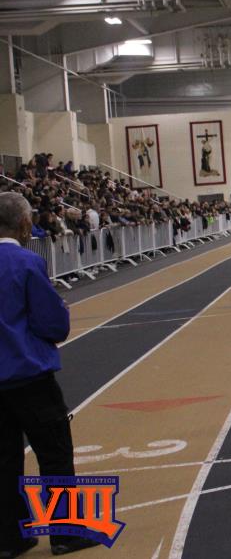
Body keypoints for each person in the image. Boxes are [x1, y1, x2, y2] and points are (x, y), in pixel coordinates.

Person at [0, 192, 100, 557]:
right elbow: (52, 325)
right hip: (29, 374)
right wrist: (61, 311)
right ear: (25, 223)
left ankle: (9, 538)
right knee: (54, 453)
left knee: (4, 459)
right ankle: (65, 532)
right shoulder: (27, 263)